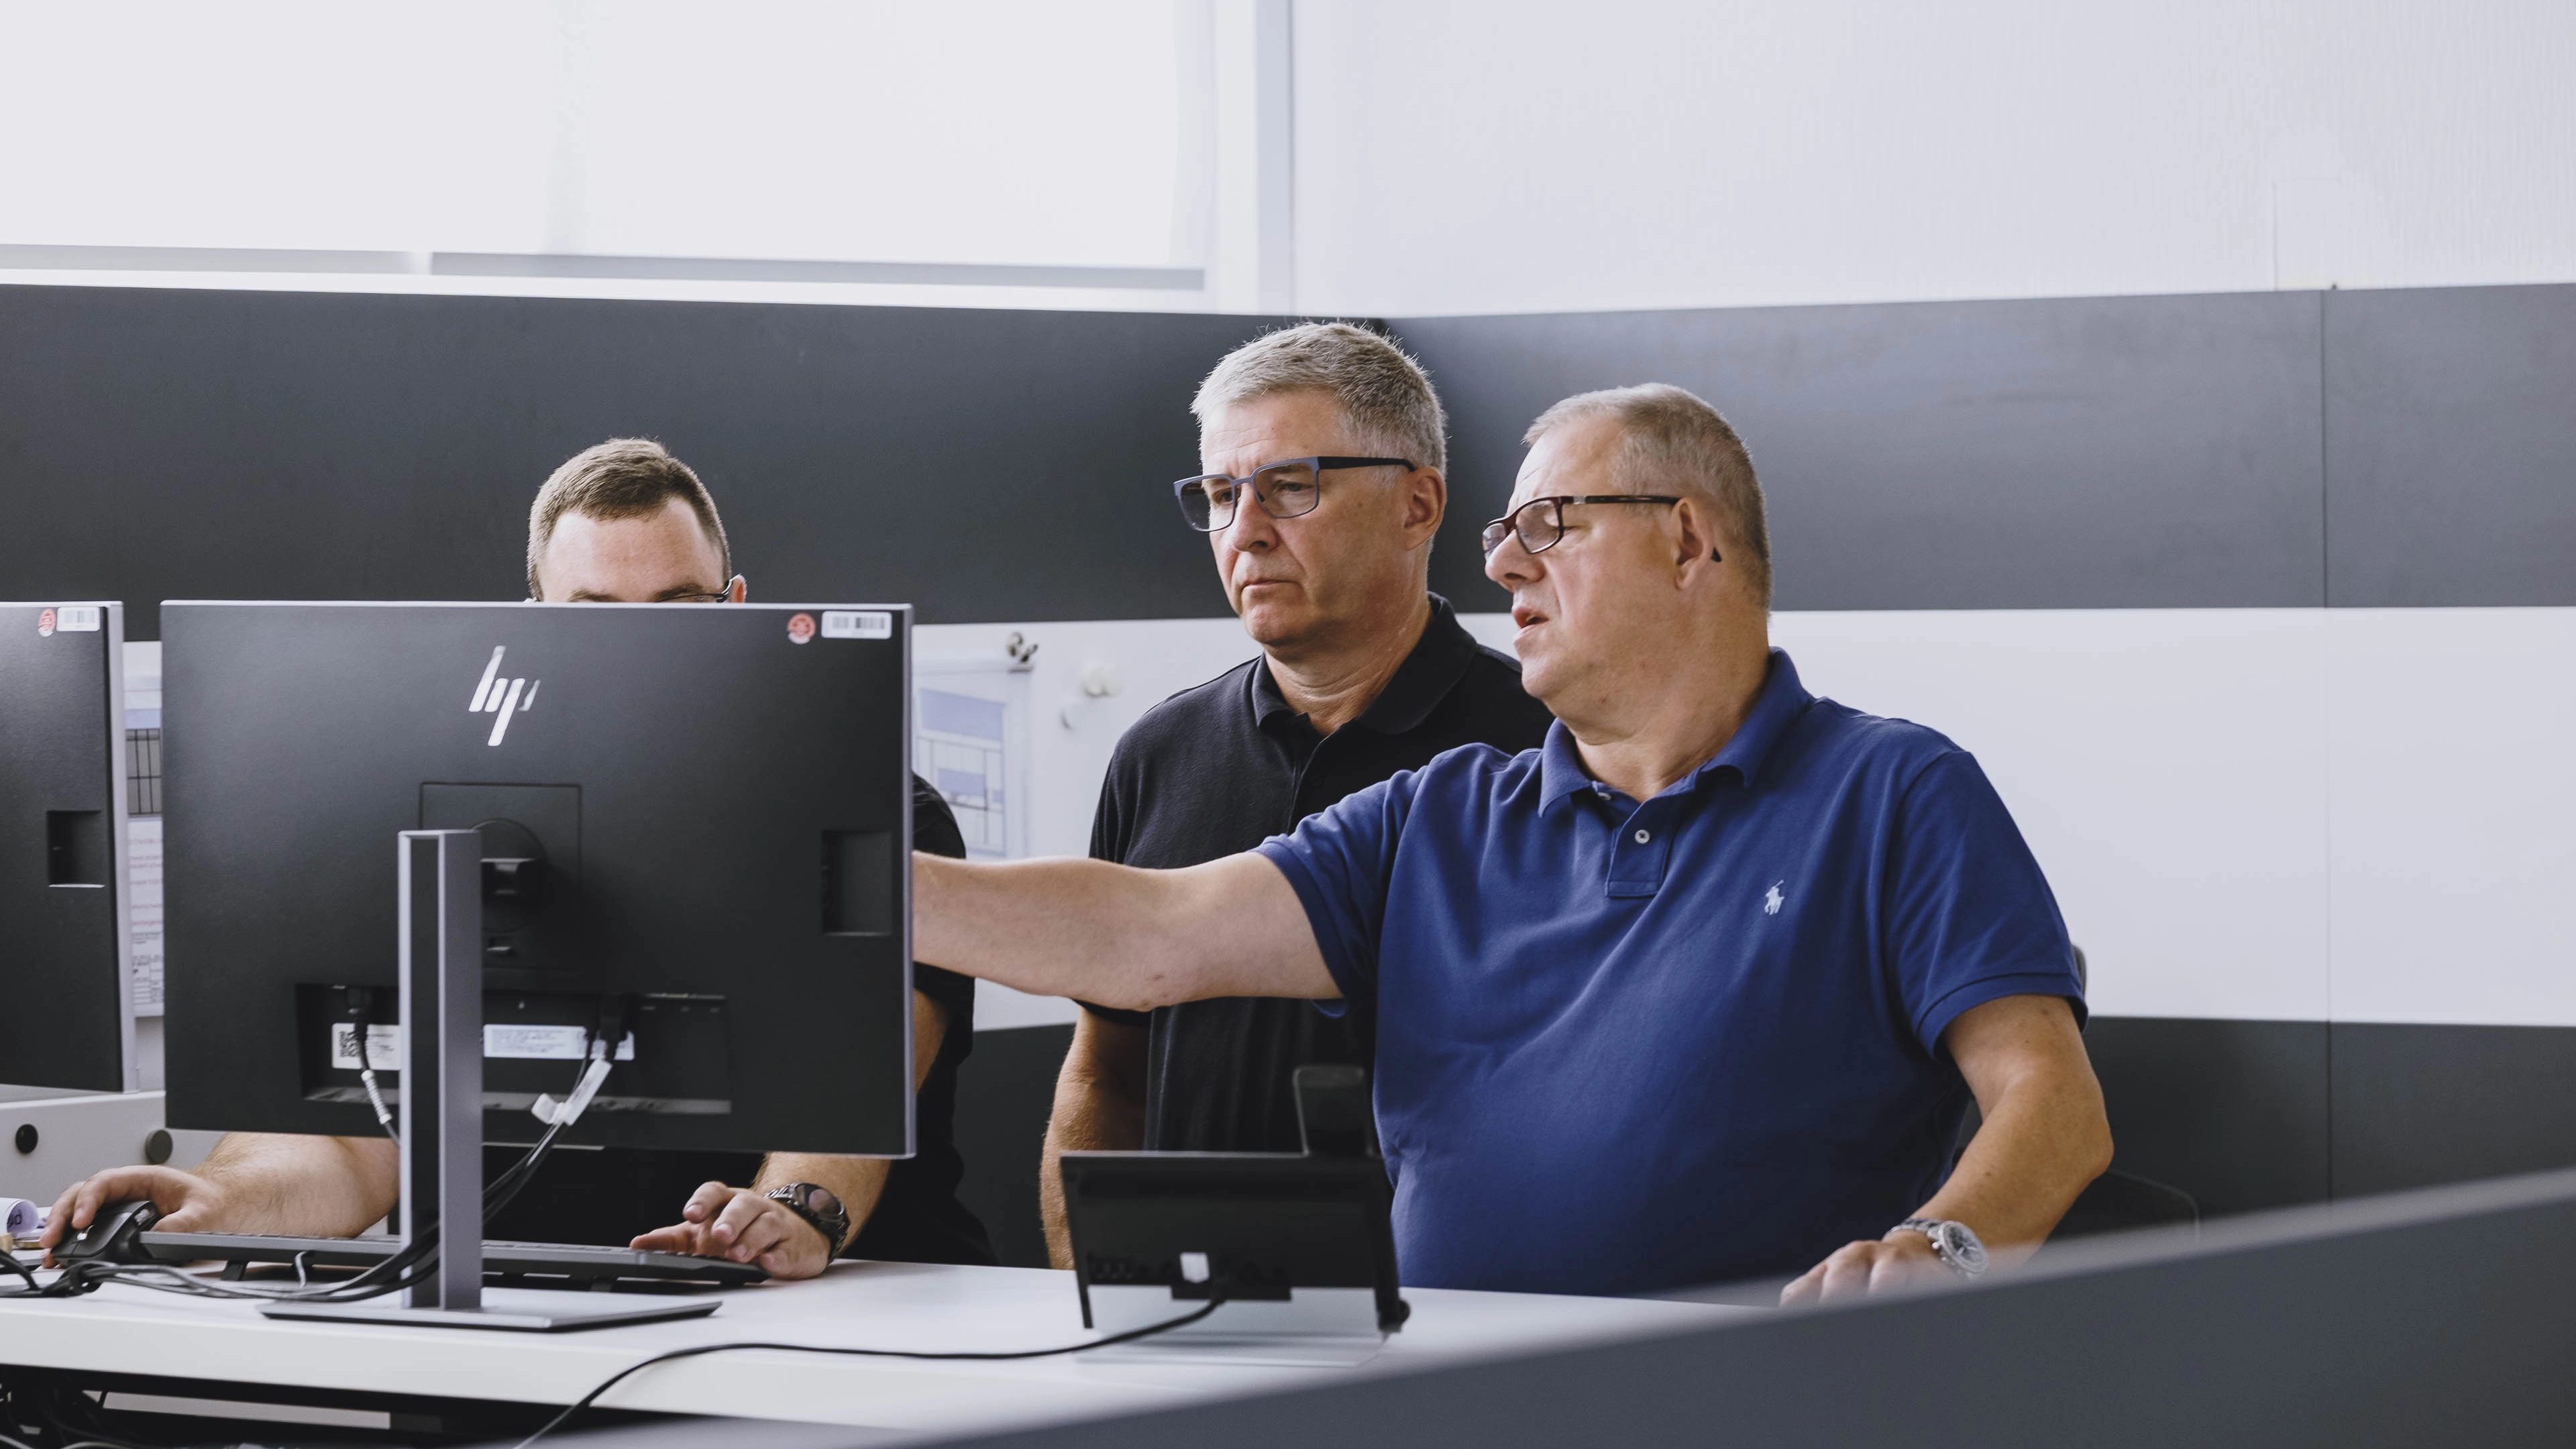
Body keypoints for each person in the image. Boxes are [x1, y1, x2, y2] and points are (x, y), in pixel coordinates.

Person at [913, 385, 2112, 1301]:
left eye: (1549, 523)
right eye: (1503, 530)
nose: (1500, 563)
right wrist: (857, 877)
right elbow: (1147, 936)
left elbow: (2052, 1102)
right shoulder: (1440, 815)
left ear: (1689, 542)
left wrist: (1944, 1247)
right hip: (1449, 1400)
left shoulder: (1893, 792)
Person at [46, 439, 994, 1278]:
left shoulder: (884, 817)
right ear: (536, 619)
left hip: (822, 1325)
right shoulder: (426, 833)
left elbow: (850, 1103)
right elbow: (353, 1143)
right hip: (502, 1313)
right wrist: (209, 1206)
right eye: (596, 615)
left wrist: (790, 1214)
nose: (639, 655)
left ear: (737, 606)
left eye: (678, 608)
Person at [1040, 323, 1553, 1266]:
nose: (1246, 530)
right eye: (1223, 496)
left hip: (1461, 1334)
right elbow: (1106, 1074)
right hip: (1185, 1322)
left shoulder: (1544, 753)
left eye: (1290, 487)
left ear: (1418, 503)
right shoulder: (1159, 752)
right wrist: (1090, 1279)